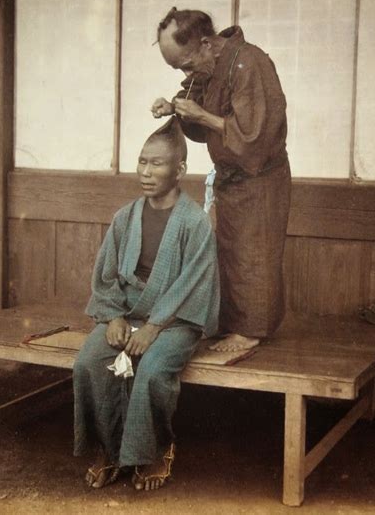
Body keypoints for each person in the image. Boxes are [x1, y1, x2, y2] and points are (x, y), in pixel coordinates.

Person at [73, 117, 219, 491]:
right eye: (142, 162)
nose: (146, 172)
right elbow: (106, 277)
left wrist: (154, 327)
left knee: (153, 370)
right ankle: (109, 449)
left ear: (180, 169)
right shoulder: (125, 218)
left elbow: (195, 285)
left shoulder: (194, 223)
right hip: (127, 310)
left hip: (176, 319)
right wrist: (114, 316)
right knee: (90, 361)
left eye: (157, 163)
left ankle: (156, 450)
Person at [152, 8, 291, 353]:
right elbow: (198, 109)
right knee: (229, 252)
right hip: (230, 178)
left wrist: (202, 116)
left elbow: (255, 136)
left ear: (204, 43)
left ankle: (252, 330)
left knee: (253, 253)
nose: (186, 73)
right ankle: (232, 324)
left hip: (259, 178)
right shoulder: (210, 65)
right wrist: (175, 108)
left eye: (185, 64)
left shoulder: (248, 62)